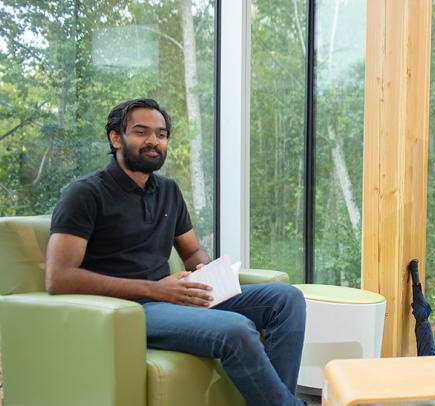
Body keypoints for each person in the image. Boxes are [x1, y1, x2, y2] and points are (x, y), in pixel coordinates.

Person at [45, 98, 307, 406]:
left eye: (161, 134)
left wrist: (204, 270)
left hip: (171, 298)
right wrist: (156, 290)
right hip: (127, 309)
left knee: (286, 299)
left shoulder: (168, 190)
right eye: (141, 132)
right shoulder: (85, 193)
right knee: (236, 328)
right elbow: (58, 278)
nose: (153, 141)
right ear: (116, 138)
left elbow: (193, 250)